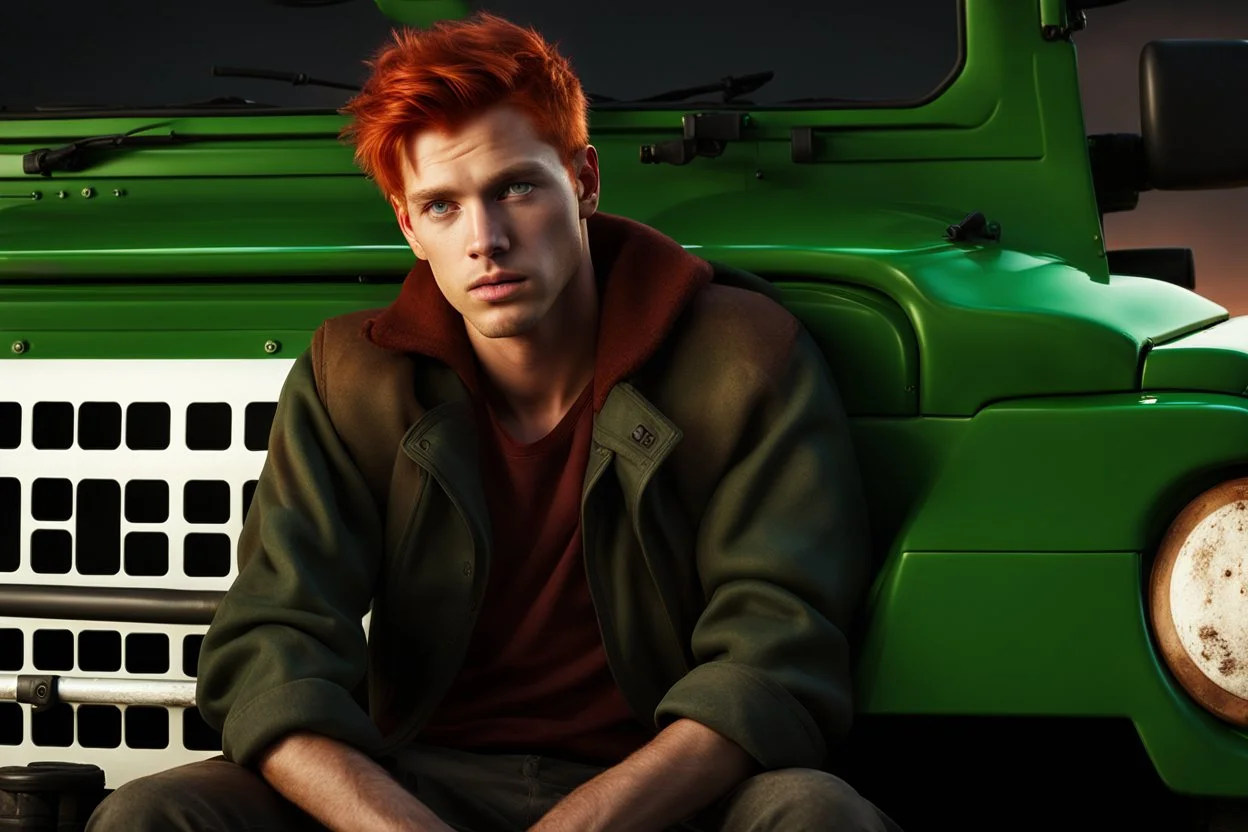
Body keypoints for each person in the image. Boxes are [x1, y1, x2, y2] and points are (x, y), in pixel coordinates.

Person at [88, 12, 896, 832]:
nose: (487, 240)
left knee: (815, 812)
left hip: (668, 793)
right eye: (442, 206)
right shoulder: (353, 377)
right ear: (409, 226)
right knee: (153, 814)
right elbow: (269, 650)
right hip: (414, 783)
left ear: (584, 180)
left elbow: (775, 655)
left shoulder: (743, 357)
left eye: (515, 187)